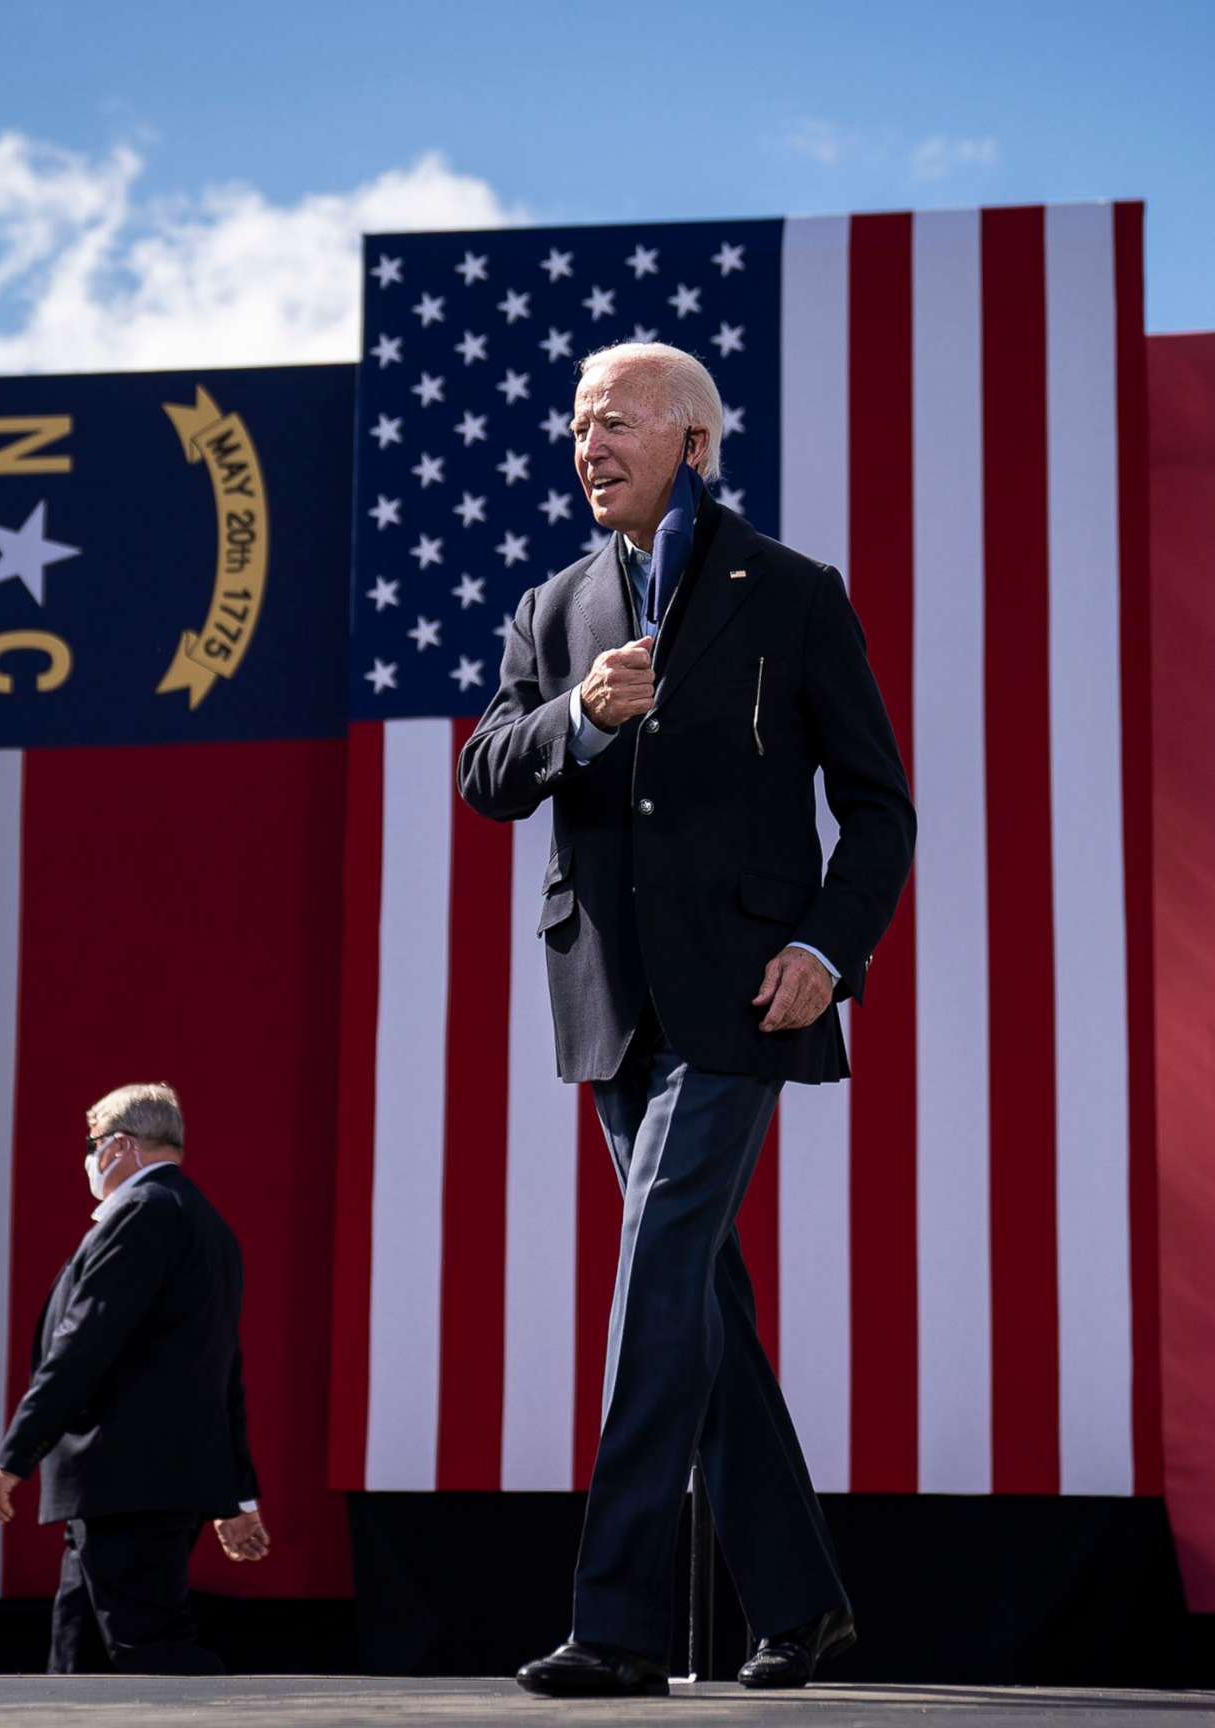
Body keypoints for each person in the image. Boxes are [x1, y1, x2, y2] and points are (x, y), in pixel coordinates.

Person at [460, 342, 916, 1696]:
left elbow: (880, 808)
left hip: (744, 997)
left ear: (694, 445)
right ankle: (805, 1606)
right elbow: (488, 771)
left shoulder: (791, 595)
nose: (585, 444)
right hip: (611, 1003)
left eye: (614, 423)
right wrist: (578, 721)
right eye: (576, 426)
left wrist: (831, 950)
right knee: (700, 1301)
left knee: (660, 1274)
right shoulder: (553, 607)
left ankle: (619, 1626)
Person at [0, 1083, 268, 1675]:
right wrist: (236, 1493)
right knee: (75, 1661)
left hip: (126, 1483)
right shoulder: (207, 1224)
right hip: (149, 1485)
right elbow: (222, 1372)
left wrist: (14, 1456)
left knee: (153, 1653)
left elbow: (82, 1346)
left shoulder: (141, 1214)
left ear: (118, 1147)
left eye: (91, 1144)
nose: (87, 1159)